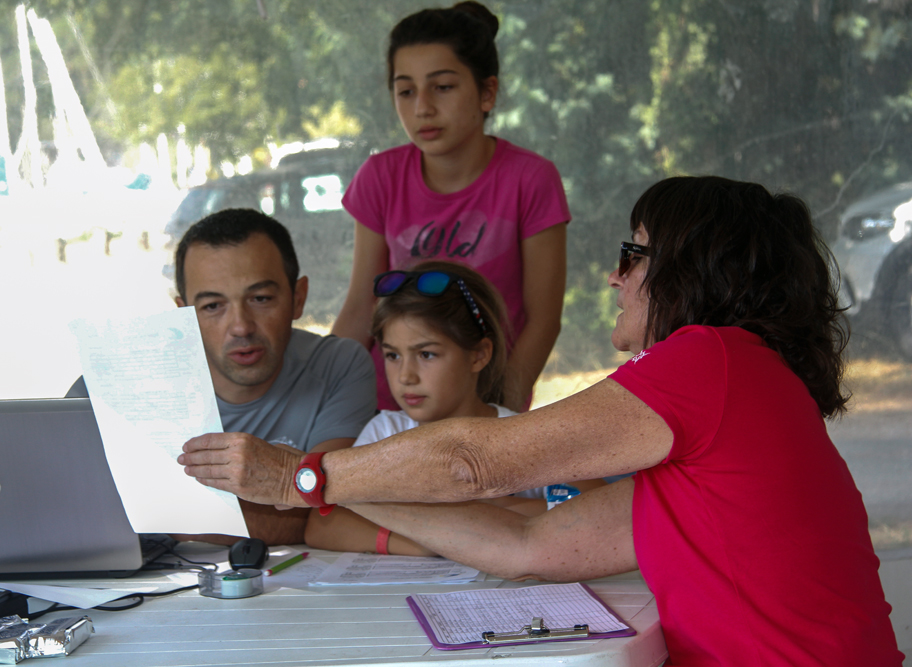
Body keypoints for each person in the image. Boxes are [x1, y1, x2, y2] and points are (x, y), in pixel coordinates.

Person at [180, 177, 904, 666]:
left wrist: (296, 472)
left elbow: (477, 461)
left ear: (693, 270)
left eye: (632, 254)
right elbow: (524, 539)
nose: (613, 277)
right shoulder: (736, 390)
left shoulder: (710, 361)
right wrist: (316, 487)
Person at [74, 208, 376, 546]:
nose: (241, 327)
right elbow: (58, 502)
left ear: (298, 298)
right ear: (184, 314)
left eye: (261, 299)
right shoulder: (112, 382)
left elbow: (324, 512)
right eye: (213, 306)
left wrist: (147, 518)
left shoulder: (340, 366)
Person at [331, 1, 570, 412]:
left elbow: (543, 318)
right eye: (405, 91)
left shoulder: (530, 179)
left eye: (442, 87)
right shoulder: (379, 176)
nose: (422, 107)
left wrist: (500, 414)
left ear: (487, 92)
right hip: (387, 408)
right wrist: (326, 397)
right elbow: (359, 308)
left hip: (484, 407)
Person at [307, 260, 566, 556]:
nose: (406, 376)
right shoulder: (385, 431)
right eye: (392, 356)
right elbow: (323, 523)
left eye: (426, 354)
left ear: (479, 355)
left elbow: (591, 505)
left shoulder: (519, 434)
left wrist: (495, 506)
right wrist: (422, 543)